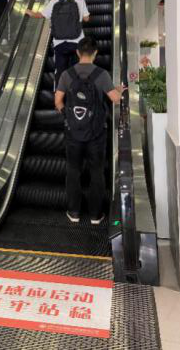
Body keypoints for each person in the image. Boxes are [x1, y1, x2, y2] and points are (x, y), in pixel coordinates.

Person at [55, 37, 126, 225]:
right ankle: (95, 215)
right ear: (95, 53)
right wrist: (118, 90)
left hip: (73, 133)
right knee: (96, 173)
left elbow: (58, 101)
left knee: (73, 171)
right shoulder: (102, 75)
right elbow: (115, 99)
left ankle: (74, 212)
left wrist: (68, 116)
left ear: (78, 52)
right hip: (96, 134)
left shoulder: (67, 74)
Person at [26, 0, 90, 88]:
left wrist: (28, 12)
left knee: (60, 71)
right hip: (77, 42)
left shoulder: (54, 1)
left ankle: (59, 95)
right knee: (77, 70)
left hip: (59, 43)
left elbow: (40, 15)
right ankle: (76, 94)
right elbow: (86, 18)